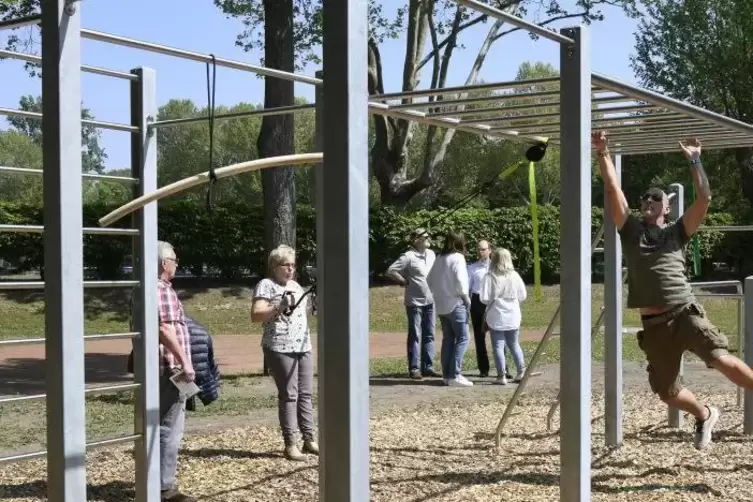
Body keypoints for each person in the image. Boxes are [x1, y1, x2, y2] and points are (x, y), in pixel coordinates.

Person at [593, 131, 753, 450]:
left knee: (723, 360)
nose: (649, 201)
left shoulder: (677, 232)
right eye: (645, 198)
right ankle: (705, 414)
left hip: (684, 313)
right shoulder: (631, 231)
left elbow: (704, 198)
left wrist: (695, 160)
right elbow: (613, 190)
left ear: (667, 207)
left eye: (656, 198)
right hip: (654, 327)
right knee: (667, 392)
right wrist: (602, 152)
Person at [251, 244, 318, 461]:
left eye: (292, 265)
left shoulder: (297, 286)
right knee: (290, 394)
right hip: (280, 346)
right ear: (274, 266)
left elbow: (306, 313)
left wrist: (316, 305)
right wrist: (278, 307)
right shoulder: (266, 286)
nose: (290, 269)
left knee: (306, 394)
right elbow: (256, 315)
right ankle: (291, 444)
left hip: (303, 346)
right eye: (285, 265)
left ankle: (309, 438)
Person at [156, 241, 197, 502]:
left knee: (166, 426)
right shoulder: (160, 289)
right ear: (163, 263)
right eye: (174, 260)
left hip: (167, 367)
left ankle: (159, 481)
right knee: (169, 428)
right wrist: (186, 362)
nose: (176, 264)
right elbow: (163, 329)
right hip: (171, 367)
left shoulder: (158, 288)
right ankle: (163, 488)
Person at [386, 228, 440, 380]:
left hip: (431, 300)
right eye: (424, 236)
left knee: (429, 334)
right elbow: (390, 270)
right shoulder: (408, 256)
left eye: (428, 235)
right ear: (416, 240)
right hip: (415, 302)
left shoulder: (432, 254)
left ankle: (428, 367)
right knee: (415, 334)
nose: (428, 237)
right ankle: (414, 368)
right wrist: (404, 281)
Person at [427, 230, 473, 387]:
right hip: (455, 303)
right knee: (463, 338)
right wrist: (466, 298)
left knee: (448, 339)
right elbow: (461, 281)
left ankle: (447, 375)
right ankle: (454, 374)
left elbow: (429, 280)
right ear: (460, 242)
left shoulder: (439, 258)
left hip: (441, 305)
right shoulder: (458, 258)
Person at [479, 248, 527, 385]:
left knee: (498, 345)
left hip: (497, 314)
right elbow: (523, 295)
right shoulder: (515, 275)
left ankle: (501, 375)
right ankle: (521, 370)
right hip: (513, 313)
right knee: (513, 343)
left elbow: (484, 298)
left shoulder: (489, 276)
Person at [468, 239, 493, 377]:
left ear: (490, 250)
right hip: (478, 301)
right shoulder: (472, 268)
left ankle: (504, 368)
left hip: (492, 301)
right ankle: (484, 368)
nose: (480, 252)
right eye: (478, 249)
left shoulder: (496, 266)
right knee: (479, 335)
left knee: (499, 335)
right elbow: (468, 288)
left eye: (483, 249)